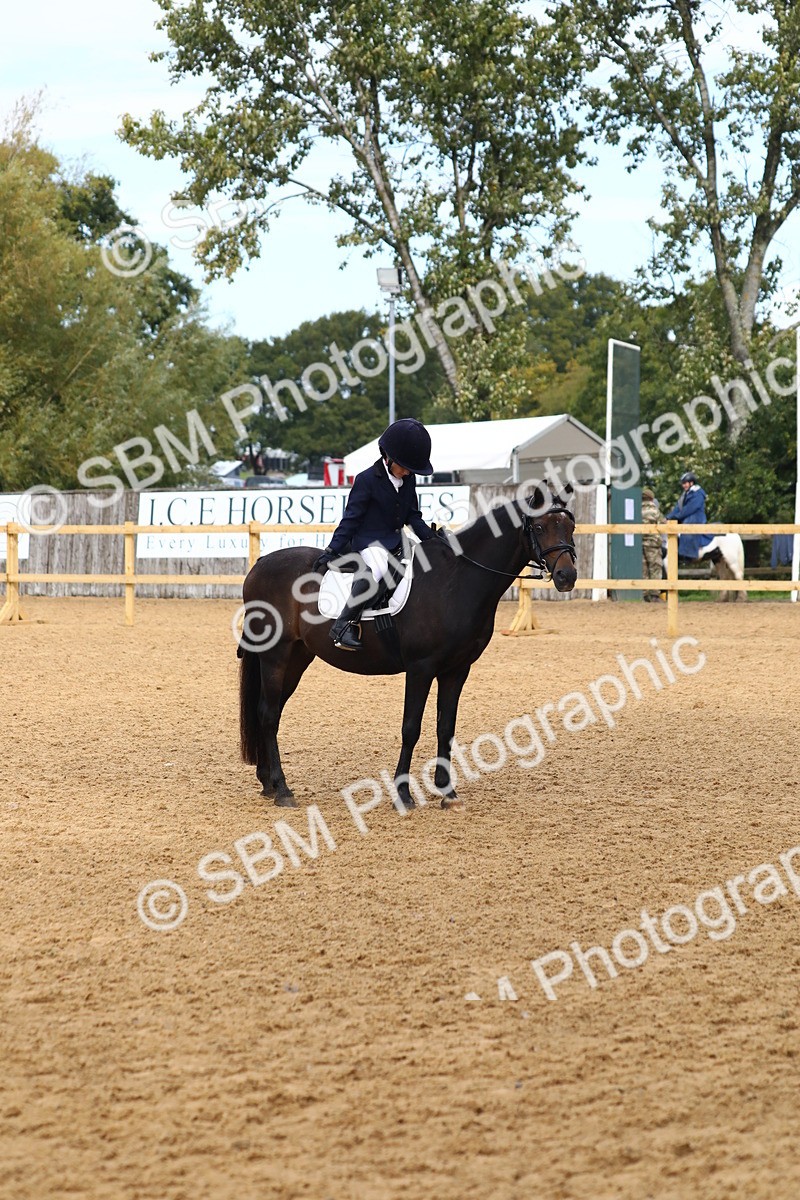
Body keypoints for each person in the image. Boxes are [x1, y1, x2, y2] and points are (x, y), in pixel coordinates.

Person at [314, 418, 439, 651]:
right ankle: (343, 625)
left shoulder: (408, 479)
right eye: (403, 465)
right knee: (380, 567)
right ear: (388, 457)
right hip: (367, 541)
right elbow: (351, 519)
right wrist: (332, 549)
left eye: (410, 468)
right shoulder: (367, 480)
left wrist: (433, 540)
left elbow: (413, 516)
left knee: (421, 562)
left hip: (396, 541)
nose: (407, 471)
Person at [664, 471, 715, 559]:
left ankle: (688, 555)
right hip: (687, 516)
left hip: (696, 517)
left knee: (687, 527)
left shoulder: (698, 493)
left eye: (685, 483)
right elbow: (678, 508)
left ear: (691, 483)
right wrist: (668, 517)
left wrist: (676, 517)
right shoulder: (684, 495)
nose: (684, 486)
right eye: (683, 484)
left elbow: (690, 509)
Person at [641, 487, 664, 601]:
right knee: (655, 567)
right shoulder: (654, 510)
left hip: (640, 543)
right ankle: (655, 594)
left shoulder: (637, 509)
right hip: (653, 543)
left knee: (643, 569)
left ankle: (645, 595)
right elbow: (663, 524)